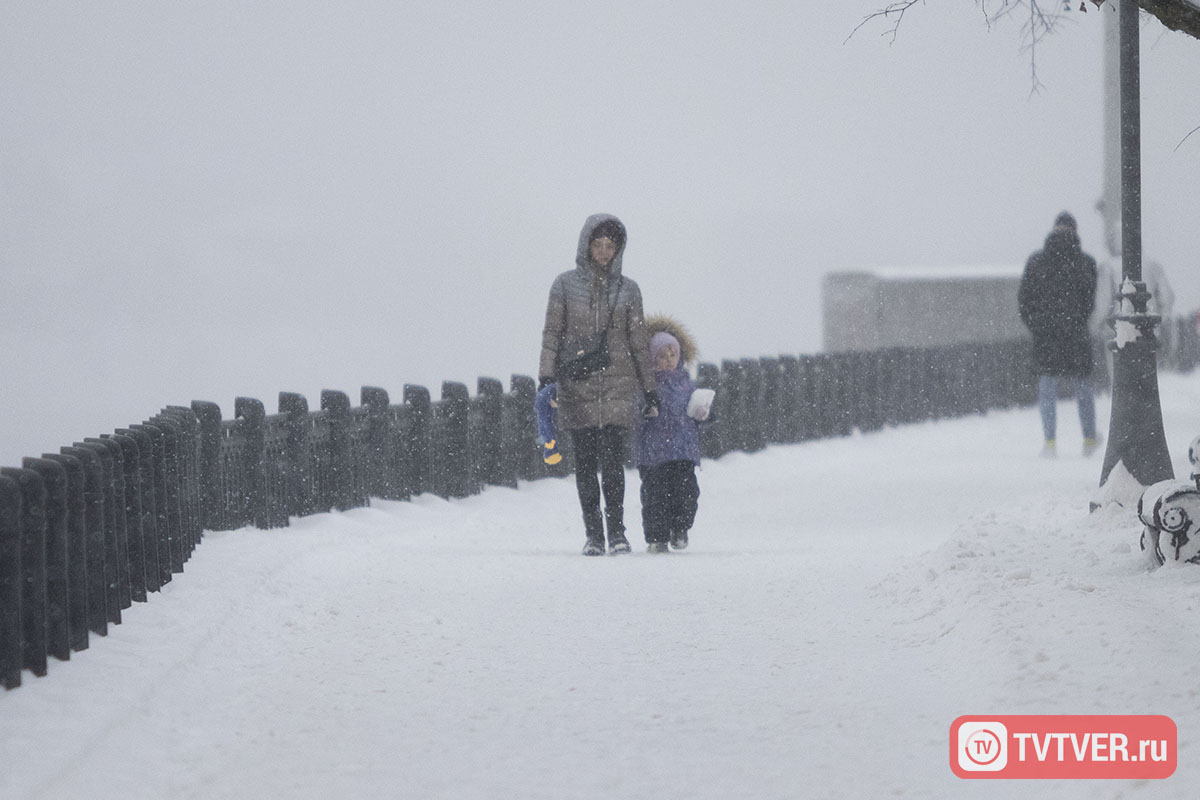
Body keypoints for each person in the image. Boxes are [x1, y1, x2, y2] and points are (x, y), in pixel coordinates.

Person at [539, 214, 657, 556]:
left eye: (610, 246)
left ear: (617, 249)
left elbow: (638, 341)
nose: (603, 252)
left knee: (613, 463)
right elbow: (551, 335)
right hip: (578, 383)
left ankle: (617, 532)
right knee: (586, 463)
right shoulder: (563, 285)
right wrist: (546, 377)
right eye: (598, 245)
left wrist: (649, 388)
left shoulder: (629, 289)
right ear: (586, 245)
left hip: (618, 384)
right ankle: (594, 533)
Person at [1018, 211, 1100, 457]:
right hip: (1075, 331)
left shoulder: (1036, 261)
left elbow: (1024, 299)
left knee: (1047, 383)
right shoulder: (1086, 262)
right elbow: (1091, 299)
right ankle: (1088, 438)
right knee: (1082, 384)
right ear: (1075, 231)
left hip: (1046, 333)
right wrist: (1077, 320)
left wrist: (1038, 324)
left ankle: (1050, 442)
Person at [635, 317, 713, 553]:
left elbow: (701, 417)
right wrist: (645, 411)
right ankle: (657, 538)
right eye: (662, 355)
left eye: (673, 355)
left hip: (683, 451)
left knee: (687, 493)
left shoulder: (686, 385)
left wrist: (703, 414)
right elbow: (631, 416)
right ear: (651, 358)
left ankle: (680, 529)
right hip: (653, 454)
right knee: (654, 497)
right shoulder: (643, 387)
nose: (668, 361)